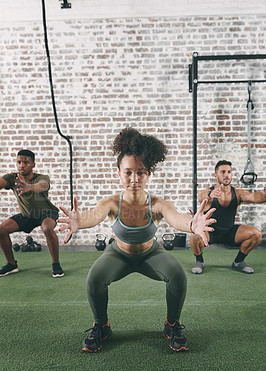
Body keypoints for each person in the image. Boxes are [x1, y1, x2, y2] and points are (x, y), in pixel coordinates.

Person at [58, 128, 216, 353]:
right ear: (119, 173)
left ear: (149, 174)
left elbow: (176, 218)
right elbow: (94, 215)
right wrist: (78, 222)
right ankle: (102, 327)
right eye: (128, 172)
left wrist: (192, 225)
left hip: (151, 254)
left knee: (177, 275)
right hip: (118, 255)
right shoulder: (112, 202)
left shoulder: (158, 204)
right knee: (94, 278)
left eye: (140, 172)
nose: (134, 179)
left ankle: (172, 325)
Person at [190, 160, 266, 275]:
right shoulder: (209, 192)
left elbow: (256, 197)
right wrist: (210, 195)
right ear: (216, 175)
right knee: (194, 235)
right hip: (210, 233)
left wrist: (264, 195)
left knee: (256, 234)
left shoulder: (238, 193)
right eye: (223, 172)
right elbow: (201, 196)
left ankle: (238, 262)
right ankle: (199, 262)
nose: (226, 175)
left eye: (229, 172)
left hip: (230, 232)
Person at [0, 149, 64, 278]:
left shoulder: (41, 178)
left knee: (47, 228)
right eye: (19, 162)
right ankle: (12, 264)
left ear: (33, 164)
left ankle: (56, 264)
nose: (22, 165)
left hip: (47, 213)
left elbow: (43, 186)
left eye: (26, 162)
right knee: (1, 229)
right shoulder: (12, 178)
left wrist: (29, 187)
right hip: (27, 216)